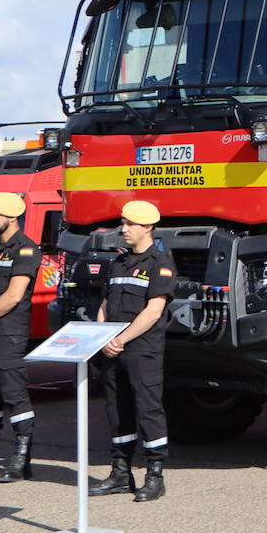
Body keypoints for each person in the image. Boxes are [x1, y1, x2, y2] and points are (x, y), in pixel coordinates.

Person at [88, 200, 176, 502]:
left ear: (147, 227)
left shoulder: (160, 264)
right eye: (122, 223)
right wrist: (103, 338)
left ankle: (155, 475)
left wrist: (120, 339)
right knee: (117, 410)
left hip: (141, 350)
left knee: (148, 409)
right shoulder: (118, 263)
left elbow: (153, 312)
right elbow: (104, 305)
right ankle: (120, 474)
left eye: (129, 224)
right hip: (112, 349)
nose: (122, 229)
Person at [0, 192, 40, 482]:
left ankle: (21, 458)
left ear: (13, 218)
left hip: (7, 332)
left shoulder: (26, 250)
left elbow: (14, 295)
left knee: (14, 395)